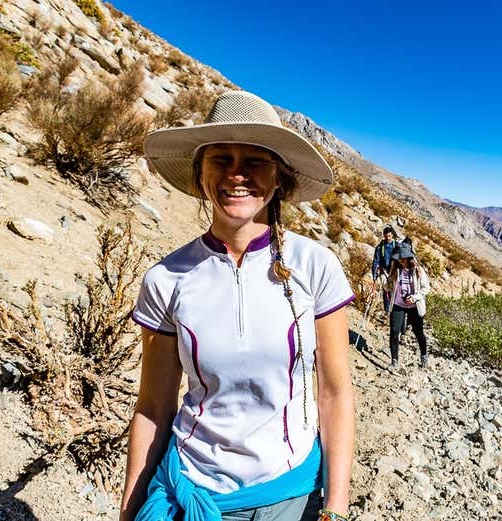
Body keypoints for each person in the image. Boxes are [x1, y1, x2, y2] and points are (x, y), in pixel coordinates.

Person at [119, 91, 355, 521]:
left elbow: (334, 393)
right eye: (221, 159)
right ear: (200, 172)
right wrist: (129, 511)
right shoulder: (166, 279)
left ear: (279, 178)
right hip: (190, 490)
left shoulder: (315, 266)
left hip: (289, 496)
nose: (236, 175)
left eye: (254, 161)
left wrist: (335, 509)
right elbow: (153, 408)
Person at [385, 242, 430, 369]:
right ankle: (394, 361)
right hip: (398, 304)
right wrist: (385, 281)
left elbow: (426, 288)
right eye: (399, 259)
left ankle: (424, 357)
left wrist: (415, 297)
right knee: (394, 331)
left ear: (409, 258)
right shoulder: (395, 269)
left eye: (402, 259)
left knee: (418, 332)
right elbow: (388, 286)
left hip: (414, 306)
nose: (400, 261)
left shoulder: (418, 270)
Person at [371, 225, 397, 312]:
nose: (388, 238)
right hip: (384, 271)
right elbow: (376, 261)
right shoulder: (379, 247)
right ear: (383, 235)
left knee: (395, 291)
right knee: (386, 290)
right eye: (386, 236)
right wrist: (374, 275)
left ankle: (394, 310)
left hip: (394, 272)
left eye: (389, 236)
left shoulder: (396, 246)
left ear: (392, 235)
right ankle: (387, 310)